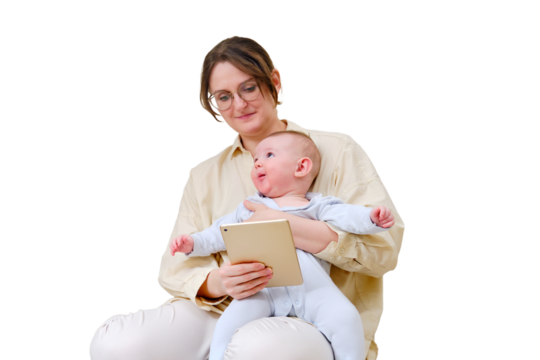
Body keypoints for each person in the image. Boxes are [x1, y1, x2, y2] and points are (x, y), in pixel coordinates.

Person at [88, 34, 405, 360]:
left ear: (275, 81)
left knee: (256, 346)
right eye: (223, 97)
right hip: (231, 307)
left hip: (313, 316)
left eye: (249, 88)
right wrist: (219, 283)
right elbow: (174, 268)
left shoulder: (338, 149)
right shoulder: (204, 173)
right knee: (115, 344)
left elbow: (386, 251)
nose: (238, 105)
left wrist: (291, 226)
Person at [170, 130, 395, 360]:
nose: (257, 164)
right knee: (229, 323)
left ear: (301, 167)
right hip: (262, 288)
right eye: (255, 159)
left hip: (313, 289)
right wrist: (193, 243)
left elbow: (348, 216)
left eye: (268, 155)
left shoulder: (316, 205)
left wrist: (371, 218)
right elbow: (219, 233)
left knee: (346, 318)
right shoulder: (249, 207)